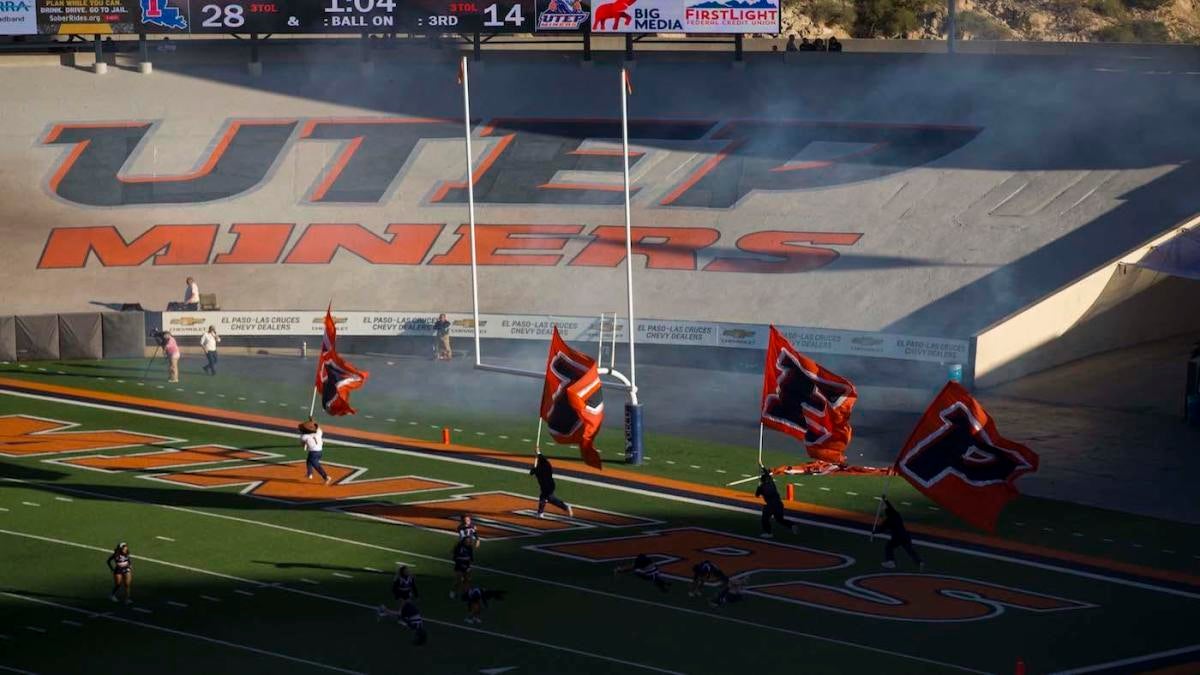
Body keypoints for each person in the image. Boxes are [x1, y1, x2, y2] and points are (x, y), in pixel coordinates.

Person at [876, 497, 924, 570]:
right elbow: (891, 507)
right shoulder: (897, 515)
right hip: (905, 535)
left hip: (897, 537)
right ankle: (919, 562)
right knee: (910, 550)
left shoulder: (888, 521)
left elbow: (881, 530)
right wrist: (886, 500)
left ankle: (890, 562)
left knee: (889, 546)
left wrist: (874, 532)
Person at [755, 467, 800, 539]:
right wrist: (763, 469)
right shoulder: (772, 483)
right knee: (780, 519)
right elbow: (768, 475)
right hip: (779, 504)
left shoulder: (762, 487)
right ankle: (792, 525)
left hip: (770, 505)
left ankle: (768, 533)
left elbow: (757, 495)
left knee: (765, 519)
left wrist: (758, 485)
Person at [530, 454, 574, 519]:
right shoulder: (548, 466)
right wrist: (538, 455)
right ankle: (540, 512)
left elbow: (531, 473)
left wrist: (535, 465)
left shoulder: (539, 469)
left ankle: (541, 513)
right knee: (547, 497)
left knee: (546, 497)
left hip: (545, 486)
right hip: (551, 485)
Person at [299, 417, 331, 485]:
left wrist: (304, 443)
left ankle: (326, 477)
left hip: (314, 453)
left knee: (317, 466)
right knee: (308, 461)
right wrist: (312, 421)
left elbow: (302, 444)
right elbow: (318, 427)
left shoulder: (304, 436)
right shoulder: (318, 432)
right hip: (319, 452)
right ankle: (310, 473)